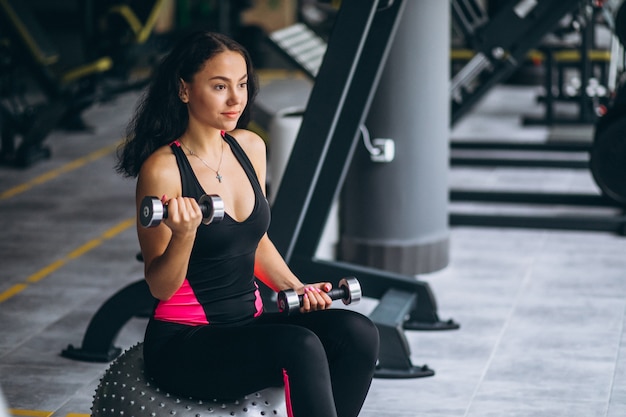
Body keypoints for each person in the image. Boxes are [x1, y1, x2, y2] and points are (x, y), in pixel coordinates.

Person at [116, 30, 379, 417]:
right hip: (184, 344)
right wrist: (185, 234)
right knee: (300, 346)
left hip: (246, 325)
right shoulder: (163, 170)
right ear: (184, 89)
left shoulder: (249, 147)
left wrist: (295, 287)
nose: (236, 99)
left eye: (241, 85)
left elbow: (252, 240)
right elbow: (160, 285)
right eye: (219, 86)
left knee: (358, 333)